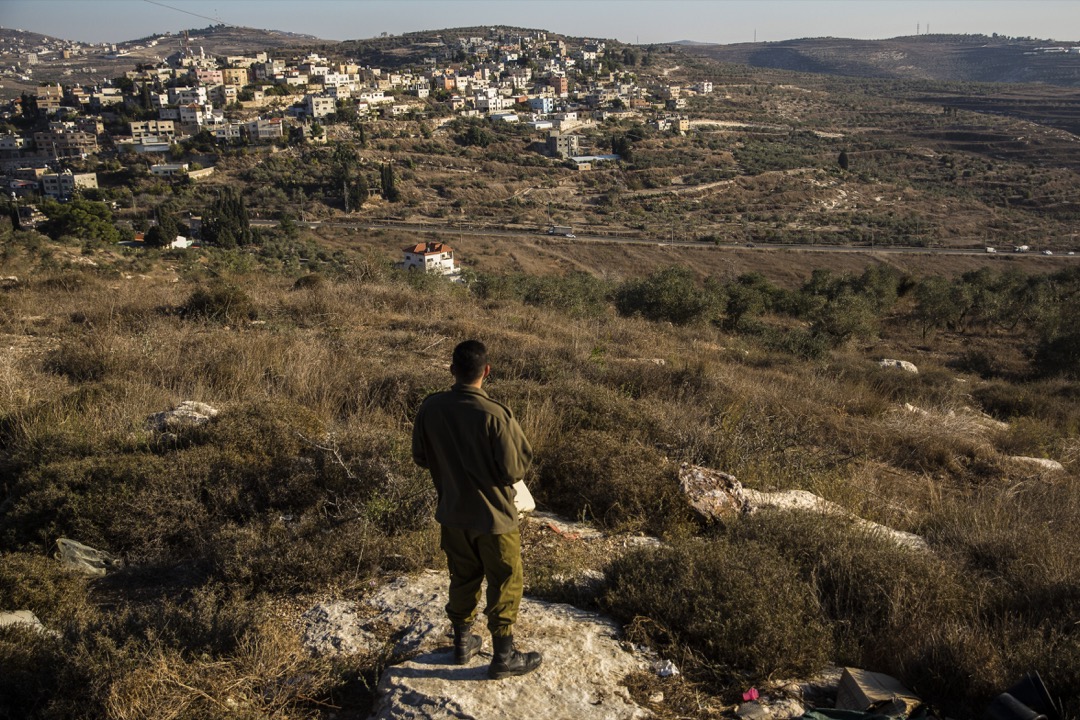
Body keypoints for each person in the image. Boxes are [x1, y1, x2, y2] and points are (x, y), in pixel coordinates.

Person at [412, 339, 542, 679]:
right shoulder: (495, 414)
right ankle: (503, 657)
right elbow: (515, 470)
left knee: (463, 576)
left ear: (452, 369)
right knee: (505, 580)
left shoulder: (431, 407)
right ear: (487, 371)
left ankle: (462, 643)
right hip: (495, 519)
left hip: (453, 514)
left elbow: (421, 458)